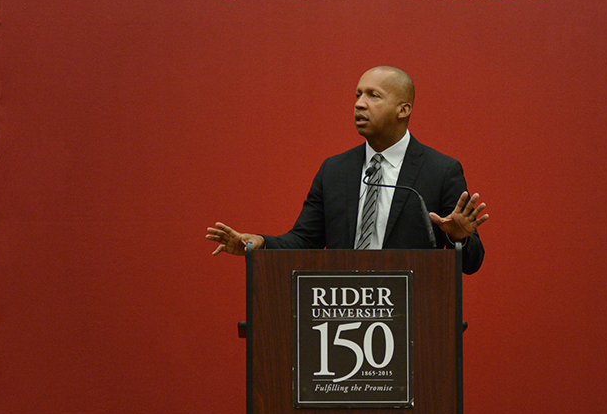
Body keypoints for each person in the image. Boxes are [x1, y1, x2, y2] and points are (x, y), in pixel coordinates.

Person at [205, 66, 488, 274]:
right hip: (341, 310)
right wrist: (261, 244)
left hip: (412, 314)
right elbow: (305, 241)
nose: (359, 104)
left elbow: (471, 263)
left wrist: (458, 237)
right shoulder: (335, 170)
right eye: (357, 94)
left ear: (403, 110)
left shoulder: (440, 170)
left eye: (373, 95)